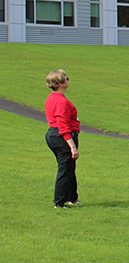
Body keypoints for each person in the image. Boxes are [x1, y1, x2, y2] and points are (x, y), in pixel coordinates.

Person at [45, 69, 81, 209]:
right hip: (62, 137)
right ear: (59, 83)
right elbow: (63, 126)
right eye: (66, 78)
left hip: (53, 135)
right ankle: (59, 203)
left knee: (69, 168)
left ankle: (73, 198)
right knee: (65, 169)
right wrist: (72, 146)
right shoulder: (61, 102)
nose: (68, 80)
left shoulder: (52, 97)